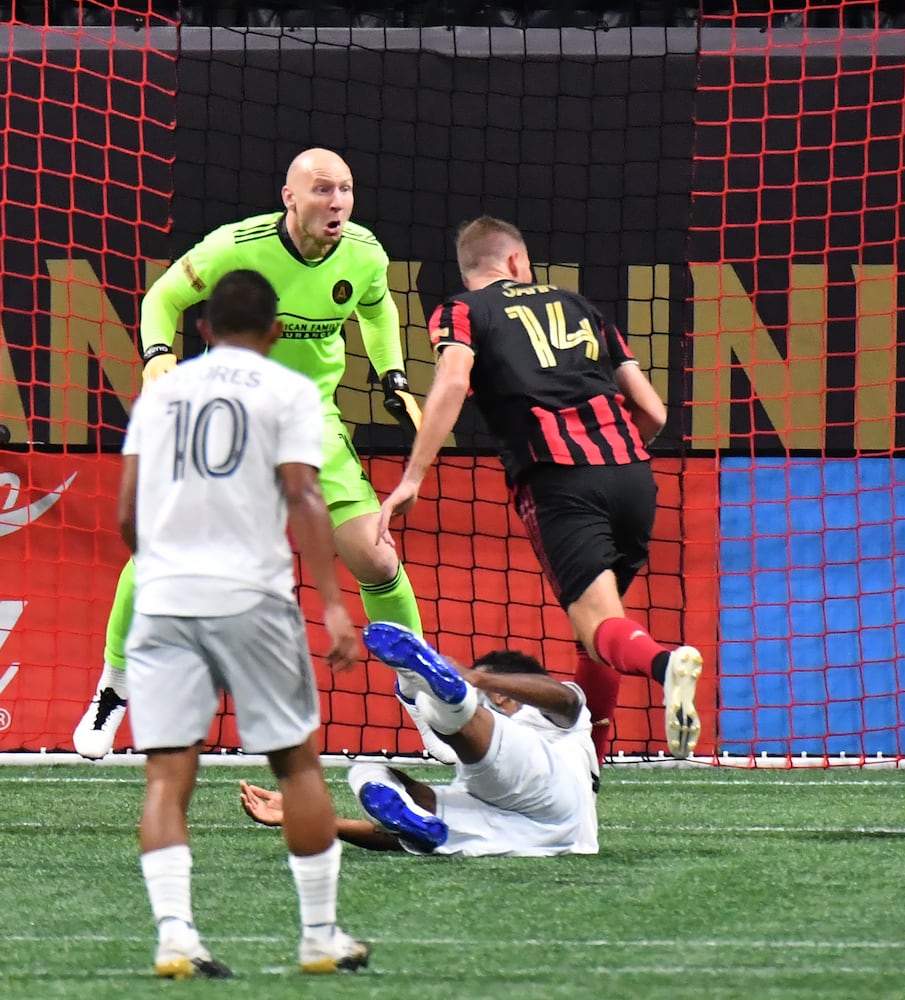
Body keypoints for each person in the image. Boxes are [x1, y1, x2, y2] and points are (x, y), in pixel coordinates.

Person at [74, 147, 454, 764]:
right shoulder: (235, 246)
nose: (337, 203)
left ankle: (420, 691)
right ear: (291, 198)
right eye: (323, 190)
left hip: (311, 423)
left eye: (346, 191)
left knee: (377, 558)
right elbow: (162, 299)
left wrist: (392, 374)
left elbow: (377, 307)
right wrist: (154, 355)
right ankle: (114, 685)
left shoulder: (363, 253)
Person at [378, 216, 702, 761]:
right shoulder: (581, 307)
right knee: (599, 634)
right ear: (516, 262)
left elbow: (454, 381)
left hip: (557, 477)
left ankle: (665, 664)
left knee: (600, 625)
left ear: (474, 267)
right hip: (632, 476)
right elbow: (653, 411)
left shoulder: (461, 309)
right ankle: (592, 768)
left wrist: (413, 477)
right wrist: (615, 453)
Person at [119, 270, 369, 978]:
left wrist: (164, 570)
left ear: (201, 330)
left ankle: (175, 937)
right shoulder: (289, 391)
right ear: (278, 331)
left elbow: (124, 515)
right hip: (252, 597)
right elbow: (304, 494)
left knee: (167, 777)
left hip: (164, 597)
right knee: (297, 765)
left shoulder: (159, 392)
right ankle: (319, 936)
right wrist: (330, 602)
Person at [239, 622, 599, 858]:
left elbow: (567, 700)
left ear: (505, 696)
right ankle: (437, 693)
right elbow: (401, 836)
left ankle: (443, 693)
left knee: (447, 709)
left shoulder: (554, 722)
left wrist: (478, 679)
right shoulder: (491, 774)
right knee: (367, 772)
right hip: (530, 835)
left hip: (555, 800)